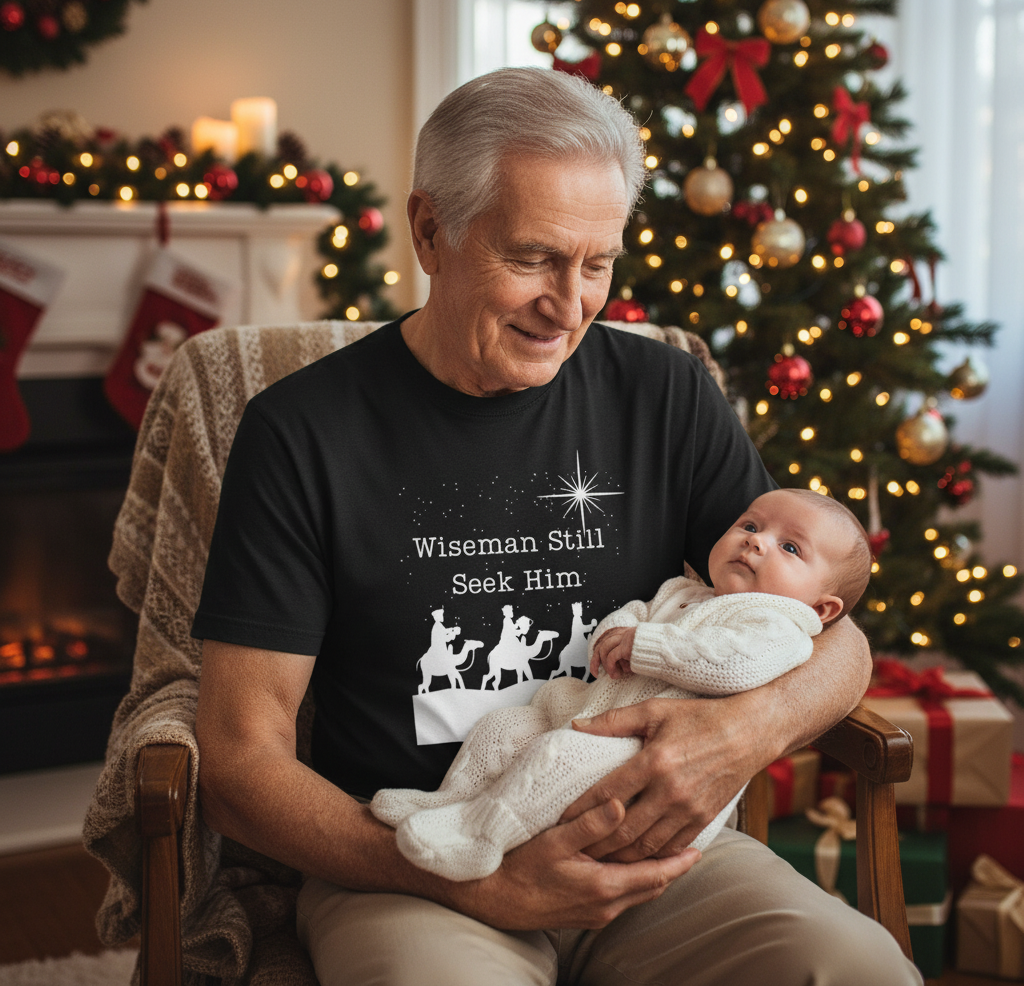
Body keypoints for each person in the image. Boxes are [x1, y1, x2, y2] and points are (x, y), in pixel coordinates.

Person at [193, 67, 922, 985]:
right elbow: (236, 757)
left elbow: (830, 632)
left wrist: (751, 731)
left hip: (658, 856)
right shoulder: (302, 432)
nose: (570, 303)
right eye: (534, 257)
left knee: (860, 968)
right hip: (420, 859)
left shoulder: (665, 395)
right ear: (430, 231)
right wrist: (464, 884)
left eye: (599, 263)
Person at [371, 488, 870, 882]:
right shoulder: (683, 591)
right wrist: (619, 628)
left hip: (645, 756)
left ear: (822, 609)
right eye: (750, 525)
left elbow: (732, 664)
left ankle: (482, 836)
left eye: (789, 547)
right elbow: (639, 614)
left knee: (557, 758)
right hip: (586, 710)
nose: (755, 541)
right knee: (503, 728)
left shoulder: (780, 627)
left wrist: (647, 644)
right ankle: (451, 802)